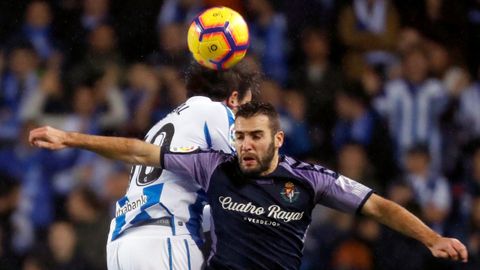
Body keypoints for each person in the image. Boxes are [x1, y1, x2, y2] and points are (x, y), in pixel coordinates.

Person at [29, 101, 468, 269]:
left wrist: (431, 238)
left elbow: (376, 206)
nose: (245, 144)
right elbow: (138, 151)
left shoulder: (309, 179)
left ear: (277, 139)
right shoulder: (214, 167)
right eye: (239, 136)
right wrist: (70, 138)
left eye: (255, 136)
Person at [32, 61, 259, 270]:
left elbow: (208, 206)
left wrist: (69, 138)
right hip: (164, 241)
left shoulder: (160, 127)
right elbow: (247, 188)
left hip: (123, 245)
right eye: (247, 105)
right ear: (233, 99)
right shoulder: (219, 112)